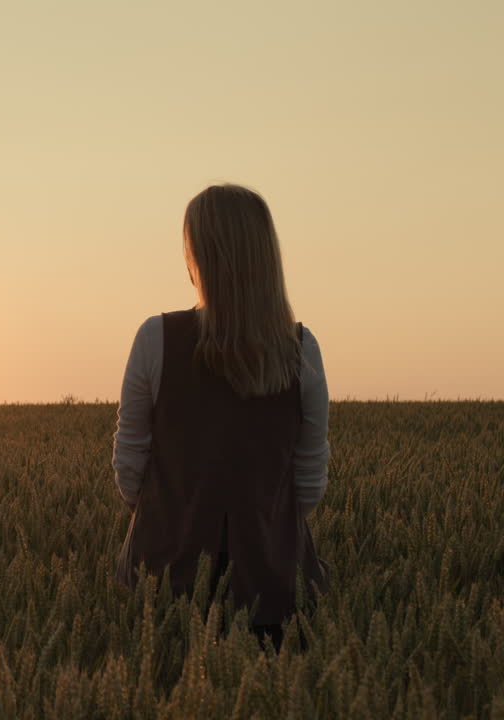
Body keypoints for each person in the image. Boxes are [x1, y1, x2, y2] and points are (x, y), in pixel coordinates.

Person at [111, 183, 331, 652]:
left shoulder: (156, 338)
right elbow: (308, 483)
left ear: (198, 256)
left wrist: (175, 518)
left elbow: (130, 466)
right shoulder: (301, 349)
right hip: (272, 585)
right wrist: (261, 527)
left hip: (165, 582)